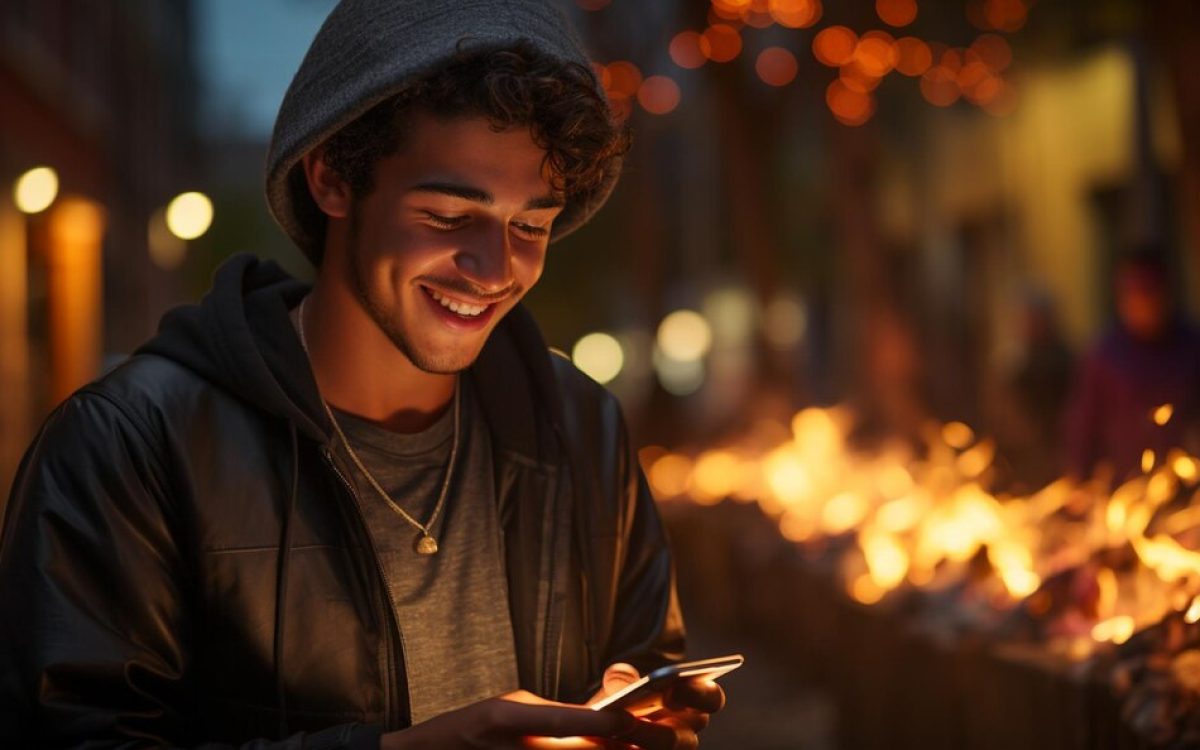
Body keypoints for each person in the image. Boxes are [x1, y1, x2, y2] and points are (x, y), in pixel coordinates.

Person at [0, 1, 724, 747]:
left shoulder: (577, 424)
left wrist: (632, 718)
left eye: (529, 226)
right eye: (448, 216)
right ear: (333, 180)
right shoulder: (127, 448)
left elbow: (645, 666)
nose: (495, 269)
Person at [1065, 250, 1200, 482]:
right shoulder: (1105, 355)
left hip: (1187, 489)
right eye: (1134, 293)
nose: (1143, 303)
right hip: (1126, 489)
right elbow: (1084, 423)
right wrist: (1078, 475)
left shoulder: (1192, 347)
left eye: (1150, 292)